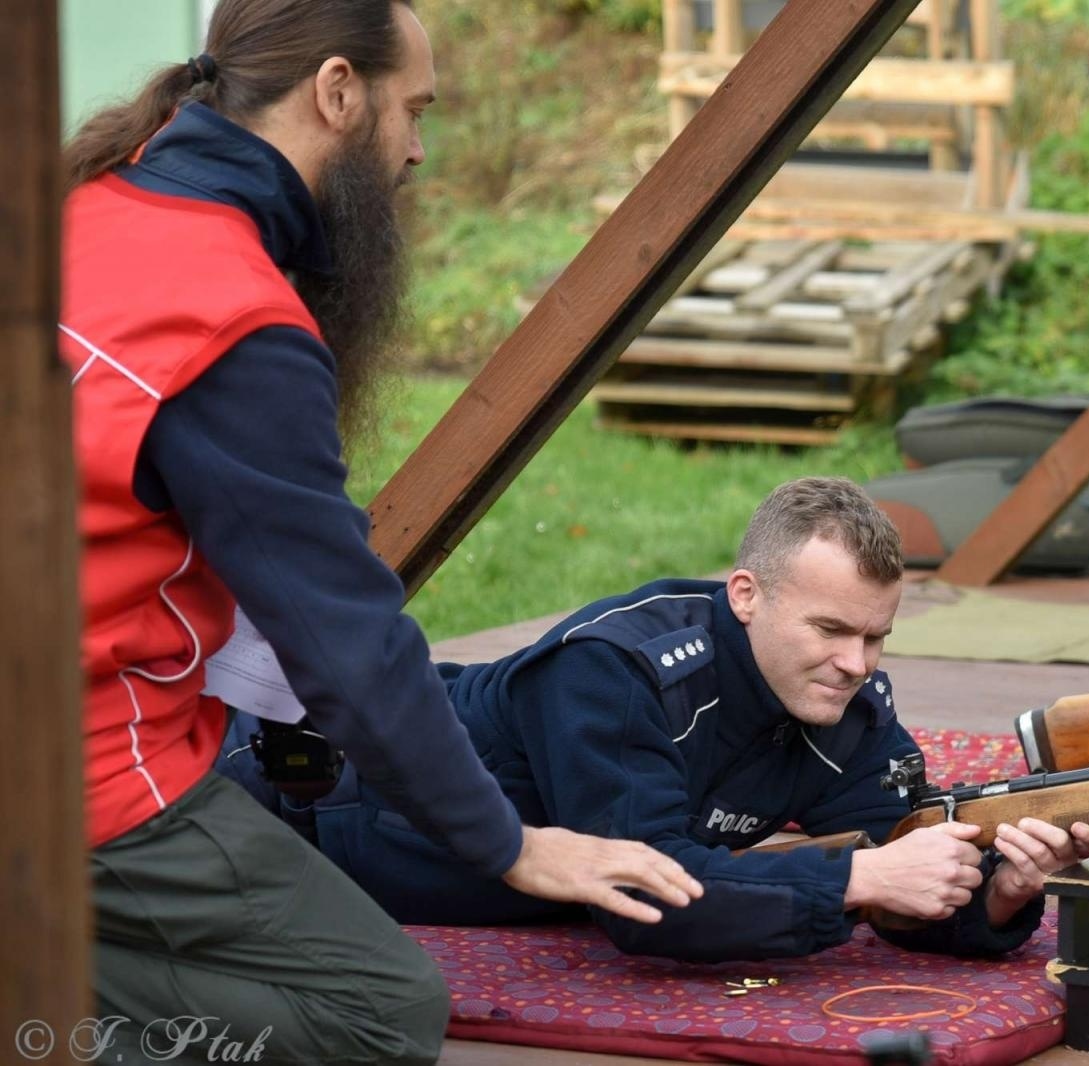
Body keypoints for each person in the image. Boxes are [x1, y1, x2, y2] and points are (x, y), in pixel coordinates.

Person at [60, 2, 698, 1062]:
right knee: (381, 1006)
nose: (414, 149)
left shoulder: (84, 212)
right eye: (413, 110)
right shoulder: (228, 315)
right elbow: (347, 646)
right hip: (77, 772)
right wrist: (509, 844)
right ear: (338, 91)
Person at [225, 478, 1089, 962]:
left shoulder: (843, 698)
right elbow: (646, 898)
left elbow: (905, 853)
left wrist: (998, 891)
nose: (857, 664)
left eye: (876, 636)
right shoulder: (616, 674)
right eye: (830, 629)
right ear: (746, 596)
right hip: (297, 817)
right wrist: (853, 883)